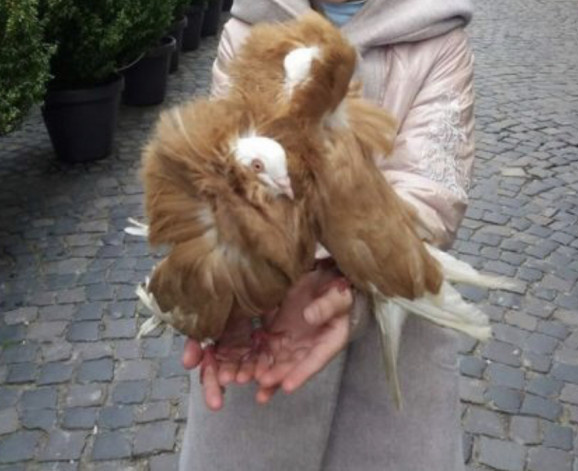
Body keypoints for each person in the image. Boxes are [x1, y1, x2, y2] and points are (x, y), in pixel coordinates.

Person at [179, 0, 475, 469]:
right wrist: (218, 288)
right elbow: (218, 171)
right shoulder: (253, 23)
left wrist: (346, 285)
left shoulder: (436, 32)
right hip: (262, 335)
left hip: (393, 350)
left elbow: (432, 194)